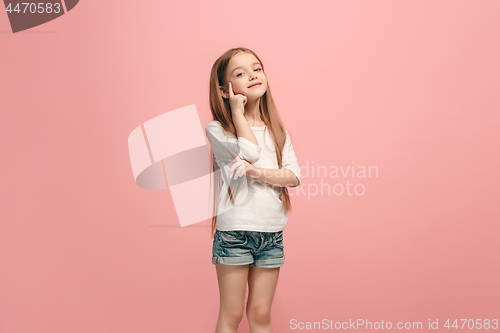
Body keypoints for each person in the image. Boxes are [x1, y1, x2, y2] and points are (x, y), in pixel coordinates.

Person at [205, 47, 301, 333]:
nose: (252, 75)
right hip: (234, 233)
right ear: (225, 90)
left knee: (260, 313)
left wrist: (254, 173)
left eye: (256, 68)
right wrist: (237, 112)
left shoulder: (278, 130)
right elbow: (250, 151)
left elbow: (293, 177)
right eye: (240, 73)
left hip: (271, 233)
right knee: (232, 314)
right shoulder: (218, 130)